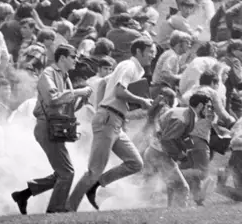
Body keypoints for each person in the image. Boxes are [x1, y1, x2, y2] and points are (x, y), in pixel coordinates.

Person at [68, 38, 156, 211]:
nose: (153, 56)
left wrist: (99, 107)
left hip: (113, 120)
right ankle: (68, 208)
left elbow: (102, 83)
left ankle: (97, 187)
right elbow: (118, 91)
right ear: (138, 51)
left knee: (135, 163)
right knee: (94, 170)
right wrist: (141, 100)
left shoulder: (133, 69)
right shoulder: (129, 66)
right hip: (108, 119)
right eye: (150, 51)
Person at [11, 44, 92, 214]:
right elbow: (53, 99)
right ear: (62, 58)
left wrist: (82, 99)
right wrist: (78, 92)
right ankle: (55, 210)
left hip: (55, 128)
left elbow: (64, 107)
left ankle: (24, 194)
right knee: (67, 173)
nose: (76, 60)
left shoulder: (64, 76)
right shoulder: (48, 73)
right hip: (46, 127)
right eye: (73, 56)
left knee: (62, 172)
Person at [143, 92, 213, 208]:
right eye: (208, 107)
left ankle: (171, 212)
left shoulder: (187, 113)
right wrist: (180, 156)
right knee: (182, 188)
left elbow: (183, 136)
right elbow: (167, 140)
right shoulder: (183, 118)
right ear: (200, 106)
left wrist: (190, 148)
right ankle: (178, 218)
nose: (209, 110)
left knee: (169, 187)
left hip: (156, 152)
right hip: (159, 154)